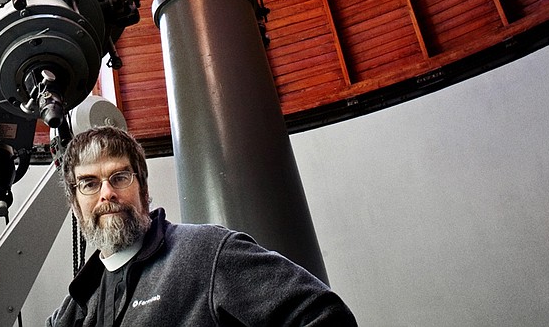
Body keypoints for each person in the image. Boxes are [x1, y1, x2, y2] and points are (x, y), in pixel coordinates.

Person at [46, 125, 357, 326]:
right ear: (75, 205)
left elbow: (325, 316)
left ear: (142, 188)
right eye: (89, 184)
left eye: (119, 177)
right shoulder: (73, 307)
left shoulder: (205, 252)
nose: (107, 193)